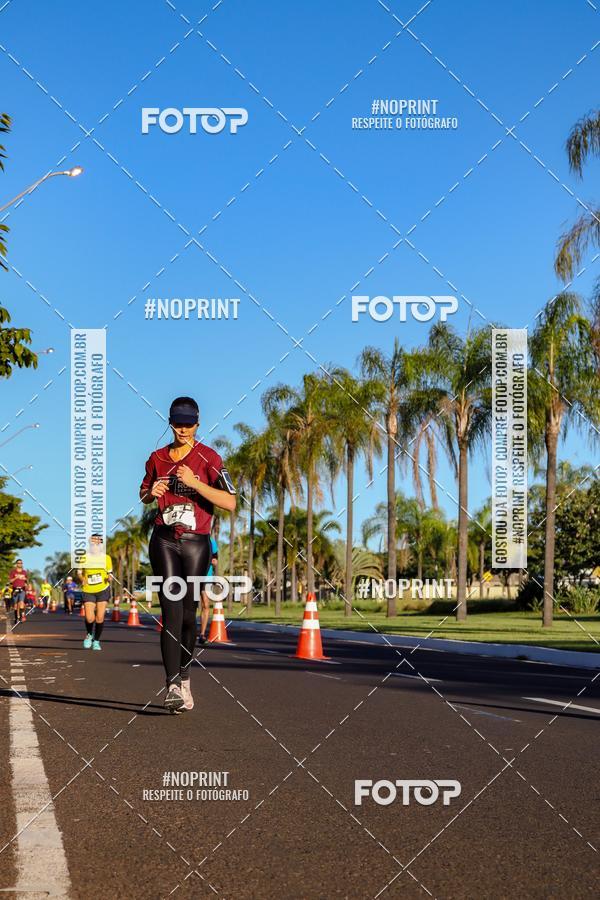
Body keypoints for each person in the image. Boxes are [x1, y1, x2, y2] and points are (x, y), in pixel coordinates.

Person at [140, 396, 236, 714]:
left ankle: (184, 676)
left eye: (188, 423)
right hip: (164, 539)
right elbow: (143, 492)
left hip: (197, 542)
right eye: (178, 423)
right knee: (170, 612)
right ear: (171, 423)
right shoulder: (156, 458)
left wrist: (196, 484)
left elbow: (231, 502)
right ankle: (171, 686)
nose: (183, 429)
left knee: (188, 615)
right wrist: (149, 493)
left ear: (198, 423)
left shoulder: (210, 458)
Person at [77, 534, 113, 650]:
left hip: (103, 589)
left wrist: (109, 578)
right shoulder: (84, 557)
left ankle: (96, 641)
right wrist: (83, 580)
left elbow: (109, 573)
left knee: (100, 617)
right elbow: (79, 573)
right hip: (88, 590)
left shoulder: (106, 558)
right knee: (89, 618)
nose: (95, 546)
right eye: (92, 543)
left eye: (97, 543)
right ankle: (89, 634)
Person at [198, 536, 218, 644]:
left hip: (207, 576)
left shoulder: (211, 542)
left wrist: (213, 561)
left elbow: (215, 561)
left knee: (206, 604)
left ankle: (202, 635)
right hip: (192, 576)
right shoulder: (193, 538)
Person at [9, 559, 28, 625]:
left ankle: (22, 616)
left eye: (21, 563)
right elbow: (10, 581)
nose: (20, 564)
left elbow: (26, 581)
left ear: (22, 564)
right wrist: (16, 578)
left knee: (21, 603)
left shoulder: (24, 572)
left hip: (22, 589)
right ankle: (16, 618)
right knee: (15, 605)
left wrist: (24, 579)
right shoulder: (13, 572)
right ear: (16, 564)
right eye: (18, 563)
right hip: (15, 590)